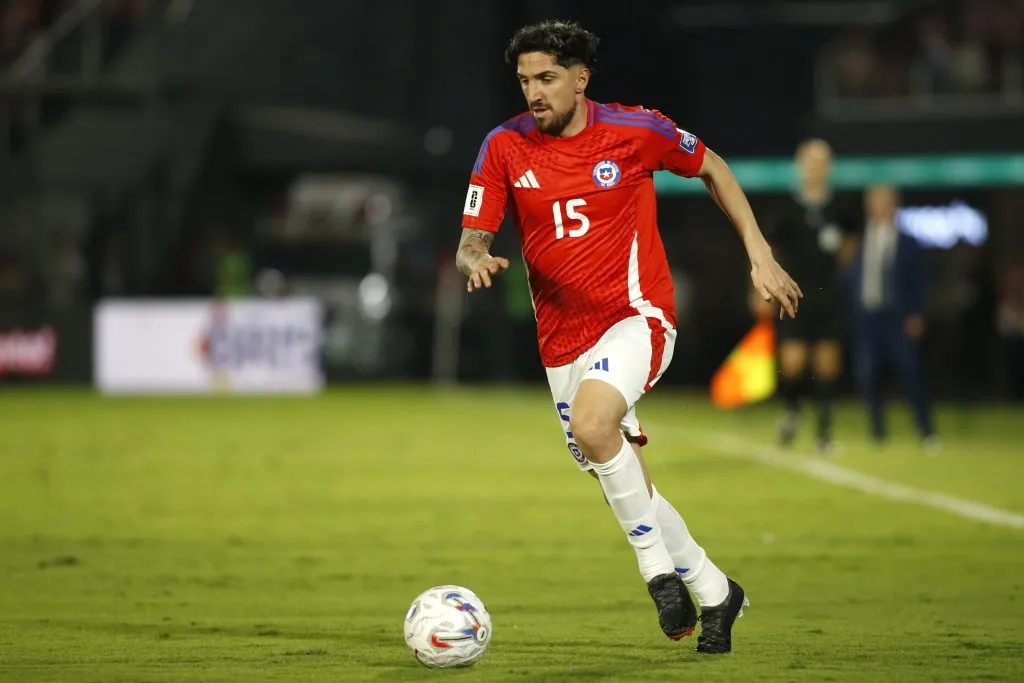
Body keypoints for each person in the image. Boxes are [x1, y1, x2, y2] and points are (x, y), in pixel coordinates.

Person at [454, 20, 802, 655]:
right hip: (561, 340)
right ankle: (717, 590)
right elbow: (472, 236)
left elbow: (713, 167)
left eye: (547, 78)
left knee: (593, 427)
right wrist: (474, 258)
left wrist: (759, 254)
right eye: (526, 79)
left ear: (581, 78)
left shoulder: (637, 131)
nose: (534, 92)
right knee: (616, 467)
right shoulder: (503, 145)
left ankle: (659, 577)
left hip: (637, 316)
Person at [766, 139, 861, 454]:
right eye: (811, 162)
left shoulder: (841, 207)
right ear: (801, 166)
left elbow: (850, 244)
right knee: (792, 363)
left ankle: (823, 433)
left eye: (822, 162)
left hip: (828, 296)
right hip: (795, 296)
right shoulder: (787, 208)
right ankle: (792, 412)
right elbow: (771, 250)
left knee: (827, 364)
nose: (816, 168)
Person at [845, 185, 938, 450]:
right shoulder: (859, 240)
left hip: (897, 318)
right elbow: (849, 278)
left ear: (895, 205)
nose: (880, 206)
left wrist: (916, 313)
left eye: (885, 201)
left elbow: (920, 281)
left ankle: (927, 431)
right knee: (868, 375)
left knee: (910, 373)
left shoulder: (908, 242)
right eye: (875, 201)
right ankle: (878, 433)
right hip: (867, 318)